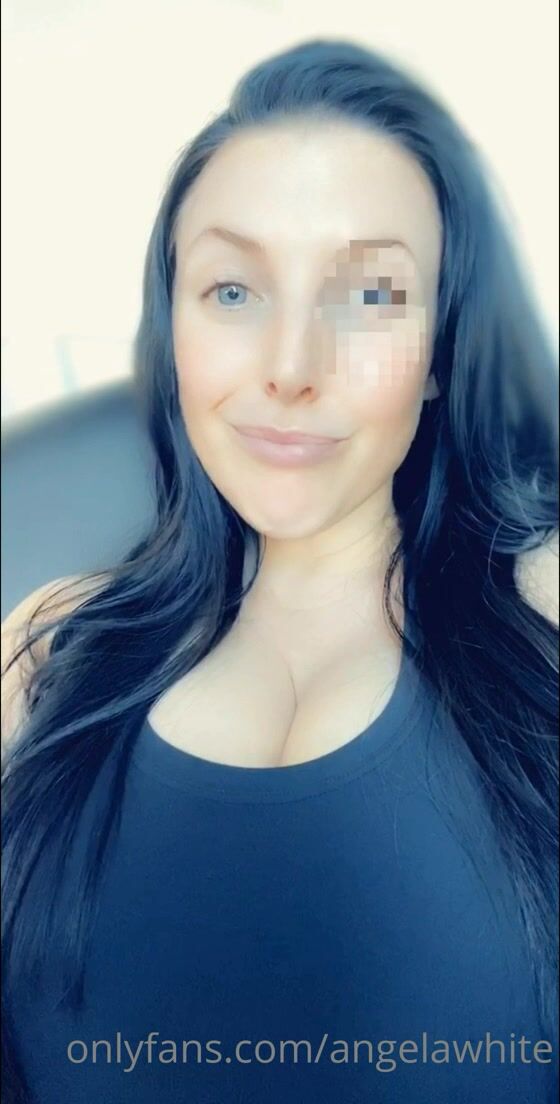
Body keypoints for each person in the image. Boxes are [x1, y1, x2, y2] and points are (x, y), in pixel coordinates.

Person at [1, 38, 558, 1104]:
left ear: (439, 353)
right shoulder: (46, 656)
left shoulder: (544, 614)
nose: (290, 368)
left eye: (370, 295)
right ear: (173, 329)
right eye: (231, 290)